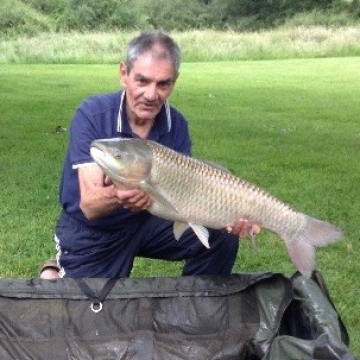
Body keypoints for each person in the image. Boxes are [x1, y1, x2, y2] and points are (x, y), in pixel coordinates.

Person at [40, 30, 260, 279]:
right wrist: (119, 195)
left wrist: (226, 215)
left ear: (174, 81)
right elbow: (90, 206)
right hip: (95, 230)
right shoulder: (93, 115)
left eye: (163, 84)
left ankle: (192, 309)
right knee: (90, 314)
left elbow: (184, 199)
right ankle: (55, 272)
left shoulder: (176, 124)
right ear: (124, 74)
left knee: (223, 237)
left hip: (147, 220)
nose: (151, 95)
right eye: (142, 81)